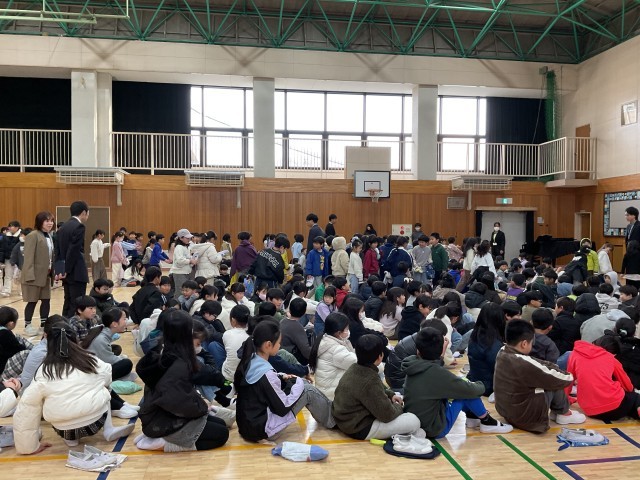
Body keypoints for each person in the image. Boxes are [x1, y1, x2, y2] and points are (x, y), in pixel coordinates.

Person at [13, 322, 135, 453]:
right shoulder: (89, 359)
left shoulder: (44, 370)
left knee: (46, 401)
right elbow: (107, 378)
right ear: (74, 339)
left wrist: (29, 447)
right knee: (104, 388)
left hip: (63, 429)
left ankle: (71, 441)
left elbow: (27, 406)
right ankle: (109, 429)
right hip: (95, 423)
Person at [135, 310, 229, 452]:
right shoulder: (179, 364)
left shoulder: (163, 350)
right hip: (161, 421)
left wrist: (202, 406)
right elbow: (179, 401)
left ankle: (156, 437)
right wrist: (202, 408)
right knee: (221, 434)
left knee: (220, 423)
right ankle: (163, 442)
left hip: (157, 413)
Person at [234, 319, 335, 443]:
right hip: (263, 431)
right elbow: (282, 408)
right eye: (279, 343)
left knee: (299, 385)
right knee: (307, 389)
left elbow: (263, 384)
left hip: (247, 426)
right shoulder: (266, 373)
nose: (280, 346)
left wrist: (281, 376)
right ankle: (332, 420)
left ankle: (328, 412)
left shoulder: (250, 360)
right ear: (268, 345)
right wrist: (298, 382)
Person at [403, 327, 512, 437]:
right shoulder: (437, 373)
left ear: (417, 350)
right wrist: (481, 385)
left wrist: (441, 355)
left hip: (415, 424)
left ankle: (473, 417)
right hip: (434, 429)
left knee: (461, 388)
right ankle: (487, 421)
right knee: (465, 391)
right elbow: (471, 390)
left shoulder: (413, 364)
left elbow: (433, 370)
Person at [494, 320, 585, 433]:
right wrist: (572, 376)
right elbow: (563, 378)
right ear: (524, 344)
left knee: (549, 375)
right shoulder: (523, 363)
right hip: (526, 419)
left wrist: (554, 367)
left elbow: (536, 363)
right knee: (554, 380)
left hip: (506, 412)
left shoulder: (503, 351)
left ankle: (558, 412)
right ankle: (565, 413)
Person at [332, 334, 423, 440]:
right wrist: (399, 406)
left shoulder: (354, 368)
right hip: (358, 428)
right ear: (380, 356)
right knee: (414, 421)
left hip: (345, 420)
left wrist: (390, 395)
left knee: (415, 427)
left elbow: (376, 390)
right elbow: (387, 415)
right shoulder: (370, 379)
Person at [568, 335, 640, 422]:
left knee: (630, 405)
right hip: (615, 407)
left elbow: (567, 380)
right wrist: (631, 392)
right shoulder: (610, 357)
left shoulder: (575, 354)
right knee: (636, 398)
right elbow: (627, 385)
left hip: (590, 410)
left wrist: (566, 399)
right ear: (612, 352)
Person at [21, 212, 55, 336]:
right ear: (40, 222)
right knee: (32, 301)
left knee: (46, 300)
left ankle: (43, 325)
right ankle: (27, 325)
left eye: (51, 221)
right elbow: (28, 257)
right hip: (34, 275)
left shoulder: (49, 235)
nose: (50, 223)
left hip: (46, 275)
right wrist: (29, 275)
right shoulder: (33, 235)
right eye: (47, 221)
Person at [308, 312, 356, 401]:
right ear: (338, 333)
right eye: (347, 328)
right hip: (333, 396)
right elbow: (358, 362)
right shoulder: (336, 350)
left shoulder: (324, 339)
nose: (348, 330)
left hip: (326, 391)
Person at [56, 201, 90, 318]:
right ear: (84, 212)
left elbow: (58, 251)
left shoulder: (62, 228)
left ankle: (64, 324)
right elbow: (74, 250)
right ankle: (73, 326)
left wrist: (60, 270)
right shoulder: (79, 226)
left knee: (68, 301)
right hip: (76, 271)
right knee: (77, 303)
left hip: (66, 273)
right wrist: (67, 269)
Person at [84, 307, 133, 381]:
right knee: (127, 363)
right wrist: (122, 358)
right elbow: (110, 361)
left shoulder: (101, 329)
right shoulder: (101, 339)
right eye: (124, 319)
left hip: (93, 361)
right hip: (91, 372)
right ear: (114, 324)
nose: (126, 321)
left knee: (117, 349)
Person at [467, 303, 505, 397]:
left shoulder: (475, 335)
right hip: (488, 387)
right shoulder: (492, 343)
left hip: (475, 381)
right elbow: (499, 368)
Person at [280, 297, 312, 365]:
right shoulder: (297, 327)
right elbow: (306, 351)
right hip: (291, 358)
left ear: (290, 309)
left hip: (281, 353)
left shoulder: (283, 321)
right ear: (304, 312)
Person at [169, 229, 196, 300]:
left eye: (189, 238)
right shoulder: (179, 247)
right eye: (187, 238)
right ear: (181, 238)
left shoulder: (185, 247)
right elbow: (179, 260)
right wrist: (190, 261)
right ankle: (176, 306)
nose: (189, 239)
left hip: (185, 272)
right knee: (180, 292)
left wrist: (192, 260)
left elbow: (186, 258)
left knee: (185, 292)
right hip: (179, 272)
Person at [0, 220, 21, 297]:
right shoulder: (5, 236)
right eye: (9, 226)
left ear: (17, 227)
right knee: (8, 275)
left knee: (19, 276)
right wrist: (1, 260)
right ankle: (6, 291)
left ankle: (21, 290)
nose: (9, 228)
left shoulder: (21, 236)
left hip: (19, 259)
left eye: (11, 226)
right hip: (8, 258)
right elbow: (2, 248)